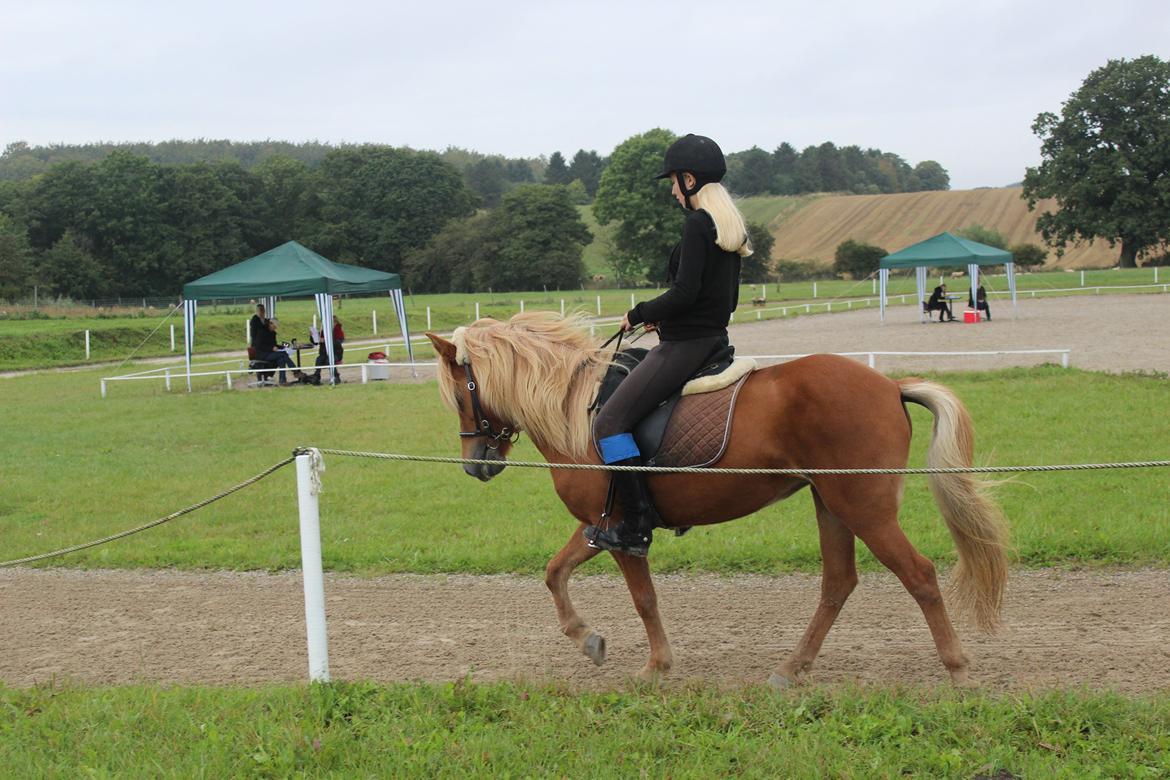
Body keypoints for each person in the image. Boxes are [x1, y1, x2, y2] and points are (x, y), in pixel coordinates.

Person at [584, 134, 750, 557]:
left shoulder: (697, 223)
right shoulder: (727, 226)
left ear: (690, 180)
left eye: (675, 181)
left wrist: (638, 313)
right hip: (713, 340)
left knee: (608, 423)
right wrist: (668, 316)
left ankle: (636, 525)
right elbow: (722, 301)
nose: (673, 190)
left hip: (686, 347)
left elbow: (683, 293)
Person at [251, 316, 302, 386]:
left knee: (281, 359)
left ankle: (282, 380)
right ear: (270, 324)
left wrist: (285, 346)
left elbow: (274, 345)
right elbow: (259, 346)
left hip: (270, 353)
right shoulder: (262, 332)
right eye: (274, 326)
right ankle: (295, 372)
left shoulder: (273, 333)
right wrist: (271, 348)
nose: (275, 328)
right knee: (283, 354)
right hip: (262, 354)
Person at [312, 314, 345, 384]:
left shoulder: (338, 330)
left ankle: (336, 377)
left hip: (336, 353)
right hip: (324, 353)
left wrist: (326, 340)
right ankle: (316, 377)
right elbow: (316, 342)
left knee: (329, 360)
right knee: (318, 360)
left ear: (335, 322)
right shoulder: (324, 330)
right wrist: (313, 336)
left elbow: (339, 342)